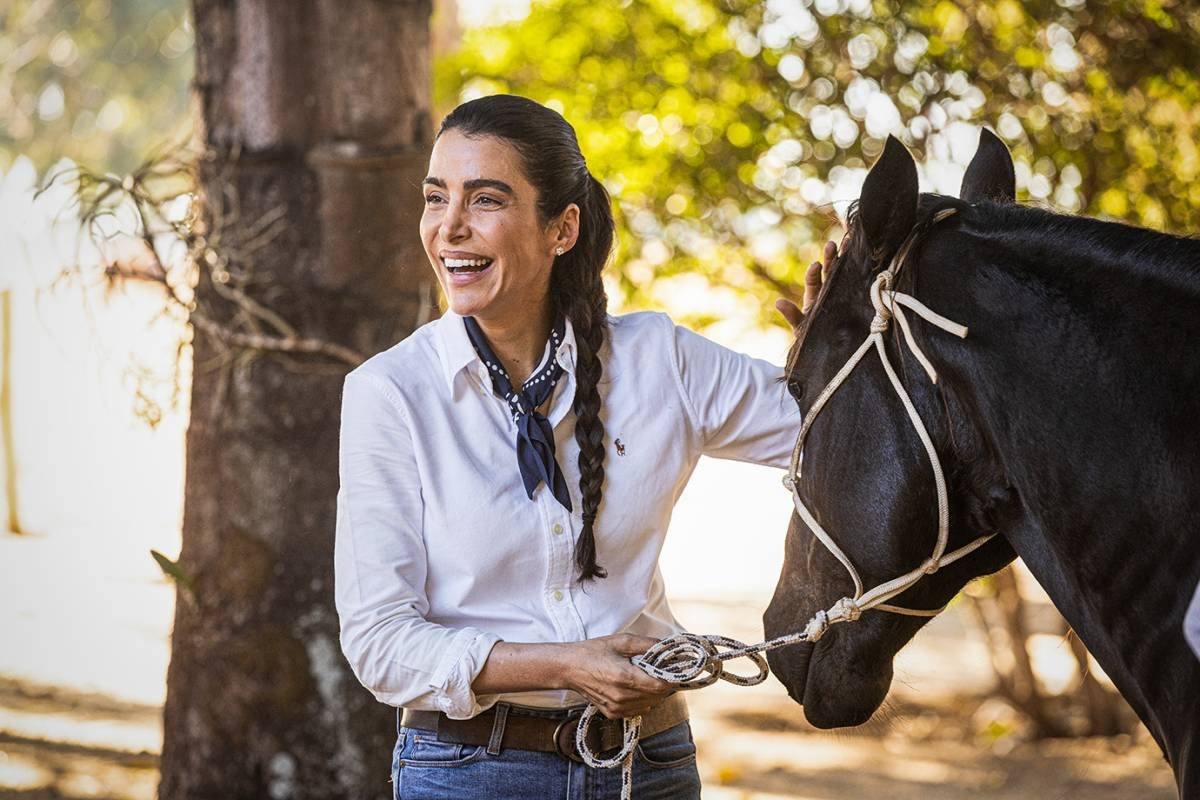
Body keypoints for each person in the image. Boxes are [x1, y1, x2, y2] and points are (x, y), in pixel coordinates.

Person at [333, 93, 832, 800]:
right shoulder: (390, 393)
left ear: (561, 229)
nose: (449, 228)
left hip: (649, 766)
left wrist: (841, 352)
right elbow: (381, 644)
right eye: (435, 197)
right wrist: (565, 664)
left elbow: (834, 437)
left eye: (486, 200)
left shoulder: (661, 361)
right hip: (470, 773)